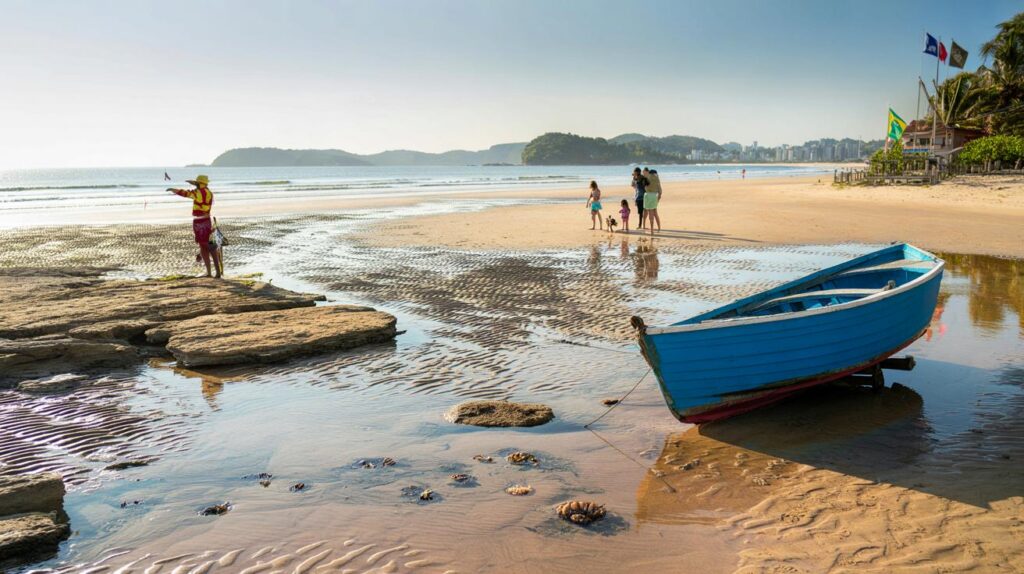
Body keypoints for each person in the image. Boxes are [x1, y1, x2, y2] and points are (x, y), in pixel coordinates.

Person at [168, 174, 222, 278]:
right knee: (206, 246)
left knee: (207, 246)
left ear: (199, 183)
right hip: (206, 220)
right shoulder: (209, 192)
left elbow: (186, 193)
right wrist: (194, 183)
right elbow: (198, 192)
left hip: (199, 222)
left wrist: (173, 190)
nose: (195, 185)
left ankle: (213, 272)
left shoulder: (198, 192)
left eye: (196, 183)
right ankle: (214, 272)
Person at [644, 168, 662, 236]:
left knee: (650, 213)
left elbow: (645, 188)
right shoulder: (657, 179)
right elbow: (660, 190)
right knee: (655, 212)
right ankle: (659, 227)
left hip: (648, 196)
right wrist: (658, 197)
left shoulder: (647, 178)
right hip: (655, 195)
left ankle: (652, 230)